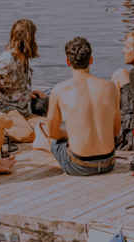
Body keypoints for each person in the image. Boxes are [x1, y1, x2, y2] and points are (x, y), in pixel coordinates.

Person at [31, 36, 119, 176]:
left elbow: (53, 133)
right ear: (91, 60)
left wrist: (68, 134)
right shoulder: (111, 87)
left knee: (45, 131)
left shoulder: (59, 90)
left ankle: (41, 144)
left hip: (79, 165)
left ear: (68, 62)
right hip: (108, 162)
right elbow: (116, 130)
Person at [0, 18, 42, 142]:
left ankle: (18, 125)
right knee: (28, 135)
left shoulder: (24, 57)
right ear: (29, 39)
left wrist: (28, 93)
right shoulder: (8, 59)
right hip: (6, 108)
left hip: (22, 108)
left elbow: (16, 83)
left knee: (48, 126)